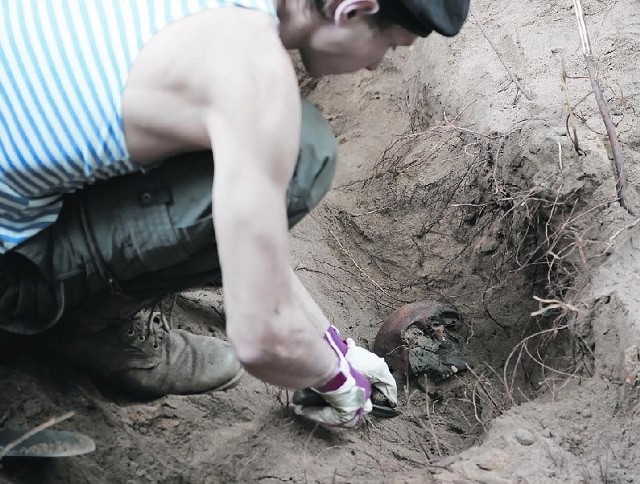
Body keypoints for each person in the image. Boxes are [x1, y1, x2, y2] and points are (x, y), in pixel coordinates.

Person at [0, 0, 469, 427]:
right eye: (387, 44)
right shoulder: (254, 75)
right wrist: (337, 381)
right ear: (351, 10)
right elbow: (259, 340)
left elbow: (250, 230)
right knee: (305, 150)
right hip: (13, 277)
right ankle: (87, 326)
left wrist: (332, 343)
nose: (374, 63)